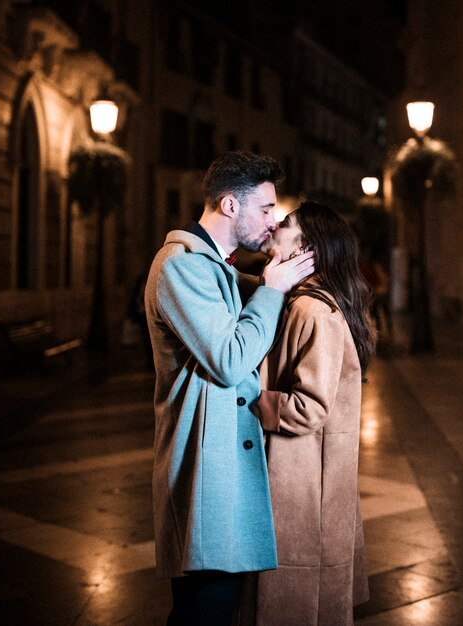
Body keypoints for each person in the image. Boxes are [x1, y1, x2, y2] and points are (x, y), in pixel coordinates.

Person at [144, 151, 315, 626]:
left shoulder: (215, 268)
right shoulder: (181, 268)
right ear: (229, 206)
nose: (272, 220)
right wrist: (273, 289)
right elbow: (229, 359)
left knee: (212, 609)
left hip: (221, 470)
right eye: (265, 209)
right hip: (203, 472)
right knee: (204, 612)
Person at [244, 201, 375, 625]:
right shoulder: (309, 301)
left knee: (299, 605)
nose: (274, 226)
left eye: (285, 223)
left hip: (304, 482)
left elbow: (309, 408)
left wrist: (248, 401)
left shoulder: (312, 309)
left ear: (307, 249)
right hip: (314, 478)